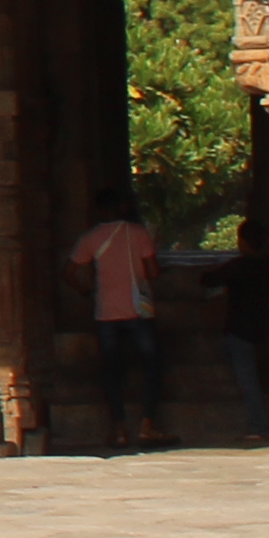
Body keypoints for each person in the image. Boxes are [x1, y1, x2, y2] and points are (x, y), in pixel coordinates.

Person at [66, 189, 166, 452]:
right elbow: (153, 270)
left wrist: (85, 290)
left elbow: (69, 271)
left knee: (111, 371)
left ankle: (119, 429)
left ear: (98, 211)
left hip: (106, 312)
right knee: (152, 366)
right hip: (138, 310)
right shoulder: (138, 234)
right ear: (122, 207)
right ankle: (147, 424)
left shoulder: (91, 238)